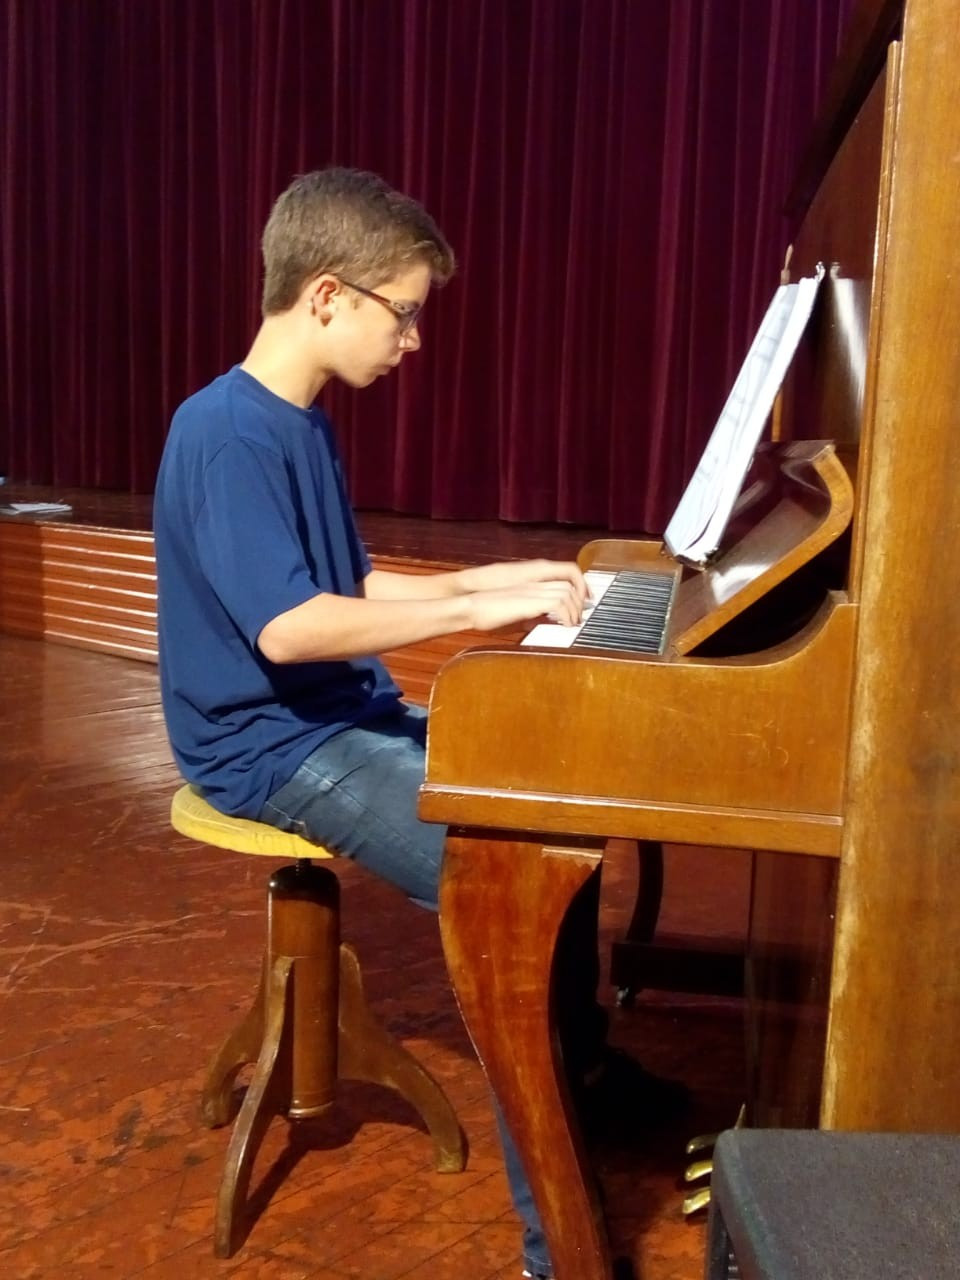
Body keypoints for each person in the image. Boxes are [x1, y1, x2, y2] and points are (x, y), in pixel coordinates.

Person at [154, 167, 680, 1280]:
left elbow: (347, 582)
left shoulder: (298, 423)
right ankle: (557, 1249)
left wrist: (497, 581)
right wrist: (477, 611)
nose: (414, 338)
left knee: (554, 805)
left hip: (333, 713)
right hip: (266, 744)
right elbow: (292, 628)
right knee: (506, 880)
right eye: (403, 311)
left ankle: (579, 1076)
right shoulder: (225, 434)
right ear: (328, 295)